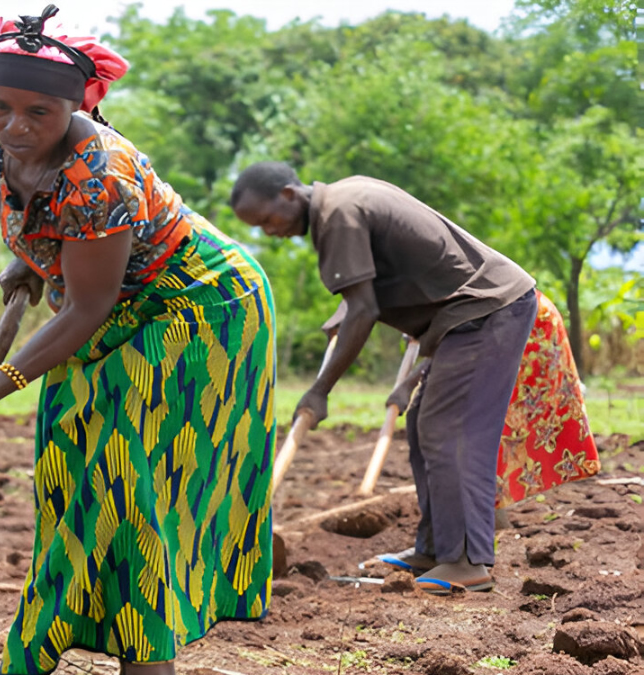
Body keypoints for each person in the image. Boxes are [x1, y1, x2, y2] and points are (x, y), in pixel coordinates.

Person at [0, 7, 277, 675]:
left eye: (39, 111)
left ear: (79, 105)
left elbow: (85, 312)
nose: (16, 125)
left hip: (198, 310)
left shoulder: (100, 174)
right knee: (73, 467)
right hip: (114, 305)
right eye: (0, 105)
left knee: (129, 472)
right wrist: (32, 259)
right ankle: (94, 672)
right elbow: (44, 224)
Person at [230, 162, 537, 595]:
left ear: (287, 194)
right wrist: (349, 310)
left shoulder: (337, 214)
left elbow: (364, 310)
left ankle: (468, 560)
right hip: (468, 314)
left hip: (486, 309)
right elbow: (371, 288)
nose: (269, 232)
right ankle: (435, 550)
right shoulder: (342, 199)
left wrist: (320, 391)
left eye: (266, 220)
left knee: (450, 432)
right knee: (423, 424)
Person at [325, 291, 600, 572]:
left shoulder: (424, 274)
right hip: (479, 323)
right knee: (427, 421)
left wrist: (409, 379)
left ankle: (470, 552)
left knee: (473, 430)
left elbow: (461, 334)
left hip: (514, 323)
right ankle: (434, 547)